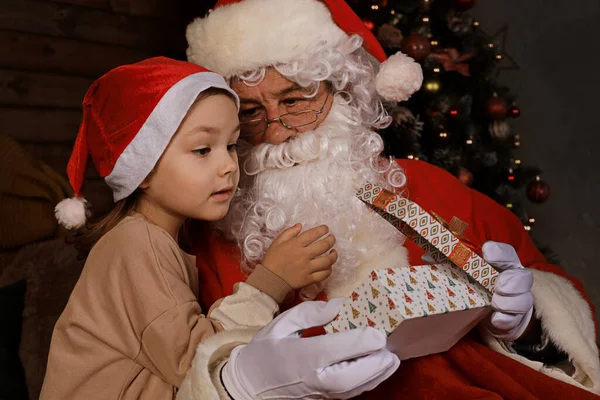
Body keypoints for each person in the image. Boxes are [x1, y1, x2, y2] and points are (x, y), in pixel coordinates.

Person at [179, 0, 600, 398]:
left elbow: (551, 310)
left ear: (339, 91)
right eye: (251, 113)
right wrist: (239, 382)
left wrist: (529, 324)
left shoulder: (429, 188)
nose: (276, 130)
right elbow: (175, 370)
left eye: (294, 100)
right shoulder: (210, 234)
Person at [39, 56, 348, 399]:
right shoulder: (136, 245)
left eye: (231, 145)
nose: (229, 166)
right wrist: (272, 281)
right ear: (142, 167)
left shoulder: (157, 238)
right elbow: (198, 361)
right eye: (203, 149)